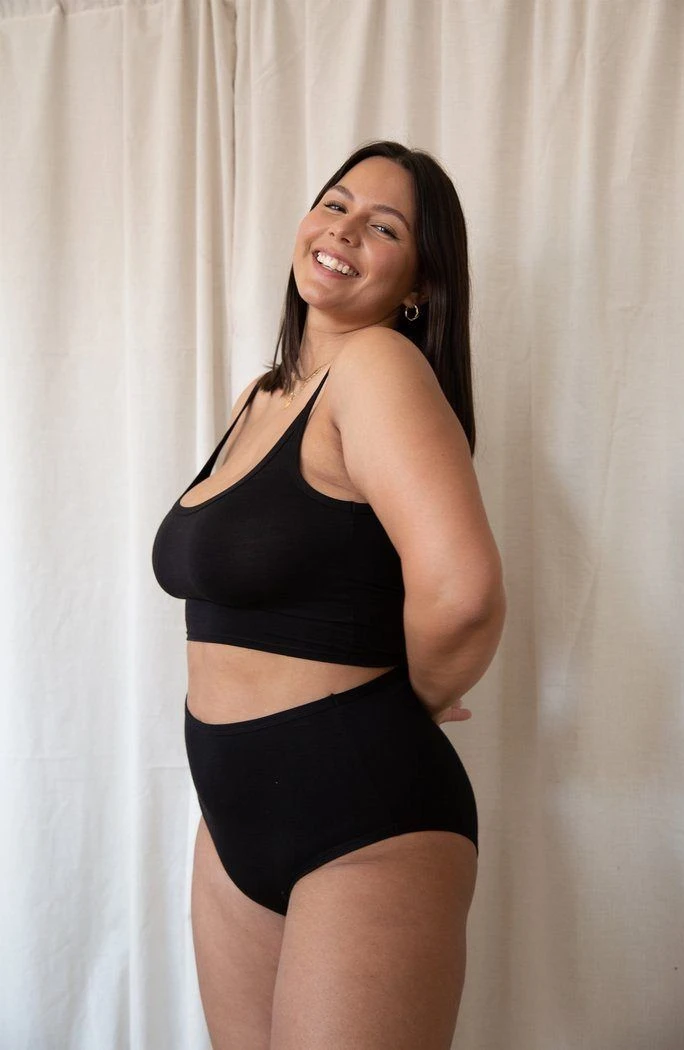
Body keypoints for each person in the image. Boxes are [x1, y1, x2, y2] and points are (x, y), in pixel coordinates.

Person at [152, 140, 506, 1050]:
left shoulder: (377, 366)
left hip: (362, 819)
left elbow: (464, 591)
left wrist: (413, 699)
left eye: (385, 228)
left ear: (419, 284)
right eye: (336, 203)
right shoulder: (262, 396)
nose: (344, 230)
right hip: (233, 815)